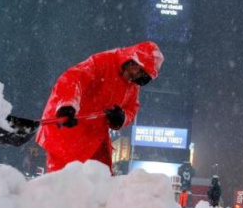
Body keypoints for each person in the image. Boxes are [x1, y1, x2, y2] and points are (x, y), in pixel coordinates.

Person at [36, 41, 164, 173]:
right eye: (140, 72)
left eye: (143, 77)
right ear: (132, 61)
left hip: (94, 138)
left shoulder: (132, 85)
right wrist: (68, 105)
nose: (136, 78)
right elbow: (73, 78)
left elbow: (132, 109)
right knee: (64, 185)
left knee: (101, 184)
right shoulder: (103, 62)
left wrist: (122, 118)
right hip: (67, 132)